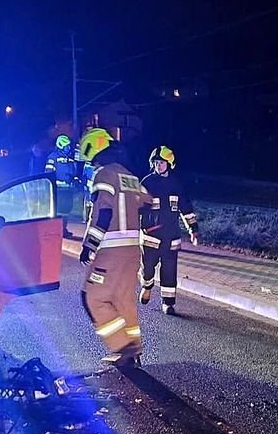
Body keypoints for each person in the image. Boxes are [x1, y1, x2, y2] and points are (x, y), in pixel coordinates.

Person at [77, 128, 150, 367]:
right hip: (132, 250)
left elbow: (103, 213)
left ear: (92, 148)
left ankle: (120, 345)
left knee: (92, 297)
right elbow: (148, 203)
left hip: (111, 250)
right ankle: (133, 350)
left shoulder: (103, 175)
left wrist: (90, 244)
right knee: (123, 299)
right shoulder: (128, 175)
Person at [138, 145, 198, 315]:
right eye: (156, 163)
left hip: (171, 236)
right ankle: (147, 286)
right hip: (151, 235)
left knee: (169, 270)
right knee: (148, 267)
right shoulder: (147, 182)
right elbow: (137, 207)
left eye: (162, 163)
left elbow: (185, 207)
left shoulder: (177, 184)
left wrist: (193, 228)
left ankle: (168, 303)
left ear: (169, 164)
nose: (159, 166)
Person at [45, 134, 81, 221]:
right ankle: (59, 228)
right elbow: (48, 173)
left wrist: (75, 180)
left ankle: (64, 228)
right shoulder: (53, 157)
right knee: (59, 210)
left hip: (68, 188)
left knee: (67, 208)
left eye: (69, 146)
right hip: (58, 189)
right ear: (60, 146)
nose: (68, 148)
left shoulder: (70, 158)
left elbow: (74, 171)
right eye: (66, 146)